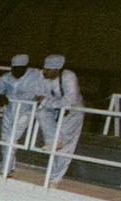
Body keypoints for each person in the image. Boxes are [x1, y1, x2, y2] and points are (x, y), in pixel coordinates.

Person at [0, 54, 43, 178]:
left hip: (25, 112)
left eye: (19, 69)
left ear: (25, 67)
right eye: (14, 69)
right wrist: (0, 95)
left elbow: (43, 89)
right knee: (5, 139)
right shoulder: (7, 77)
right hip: (9, 110)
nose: (16, 72)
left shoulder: (35, 75)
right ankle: (10, 167)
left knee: (11, 139)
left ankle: (4, 172)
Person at [37, 54, 83, 185]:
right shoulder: (43, 76)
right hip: (55, 109)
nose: (45, 72)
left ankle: (55, 179)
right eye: (44, 69)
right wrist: (48, 102)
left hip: (72, 113)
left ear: (57, 69)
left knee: (65, 148)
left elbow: (70, 100)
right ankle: (53, 141)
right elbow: (40, 95)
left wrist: (47, 101)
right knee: (41, 113)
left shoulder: (68, 76)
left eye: (48, 70)